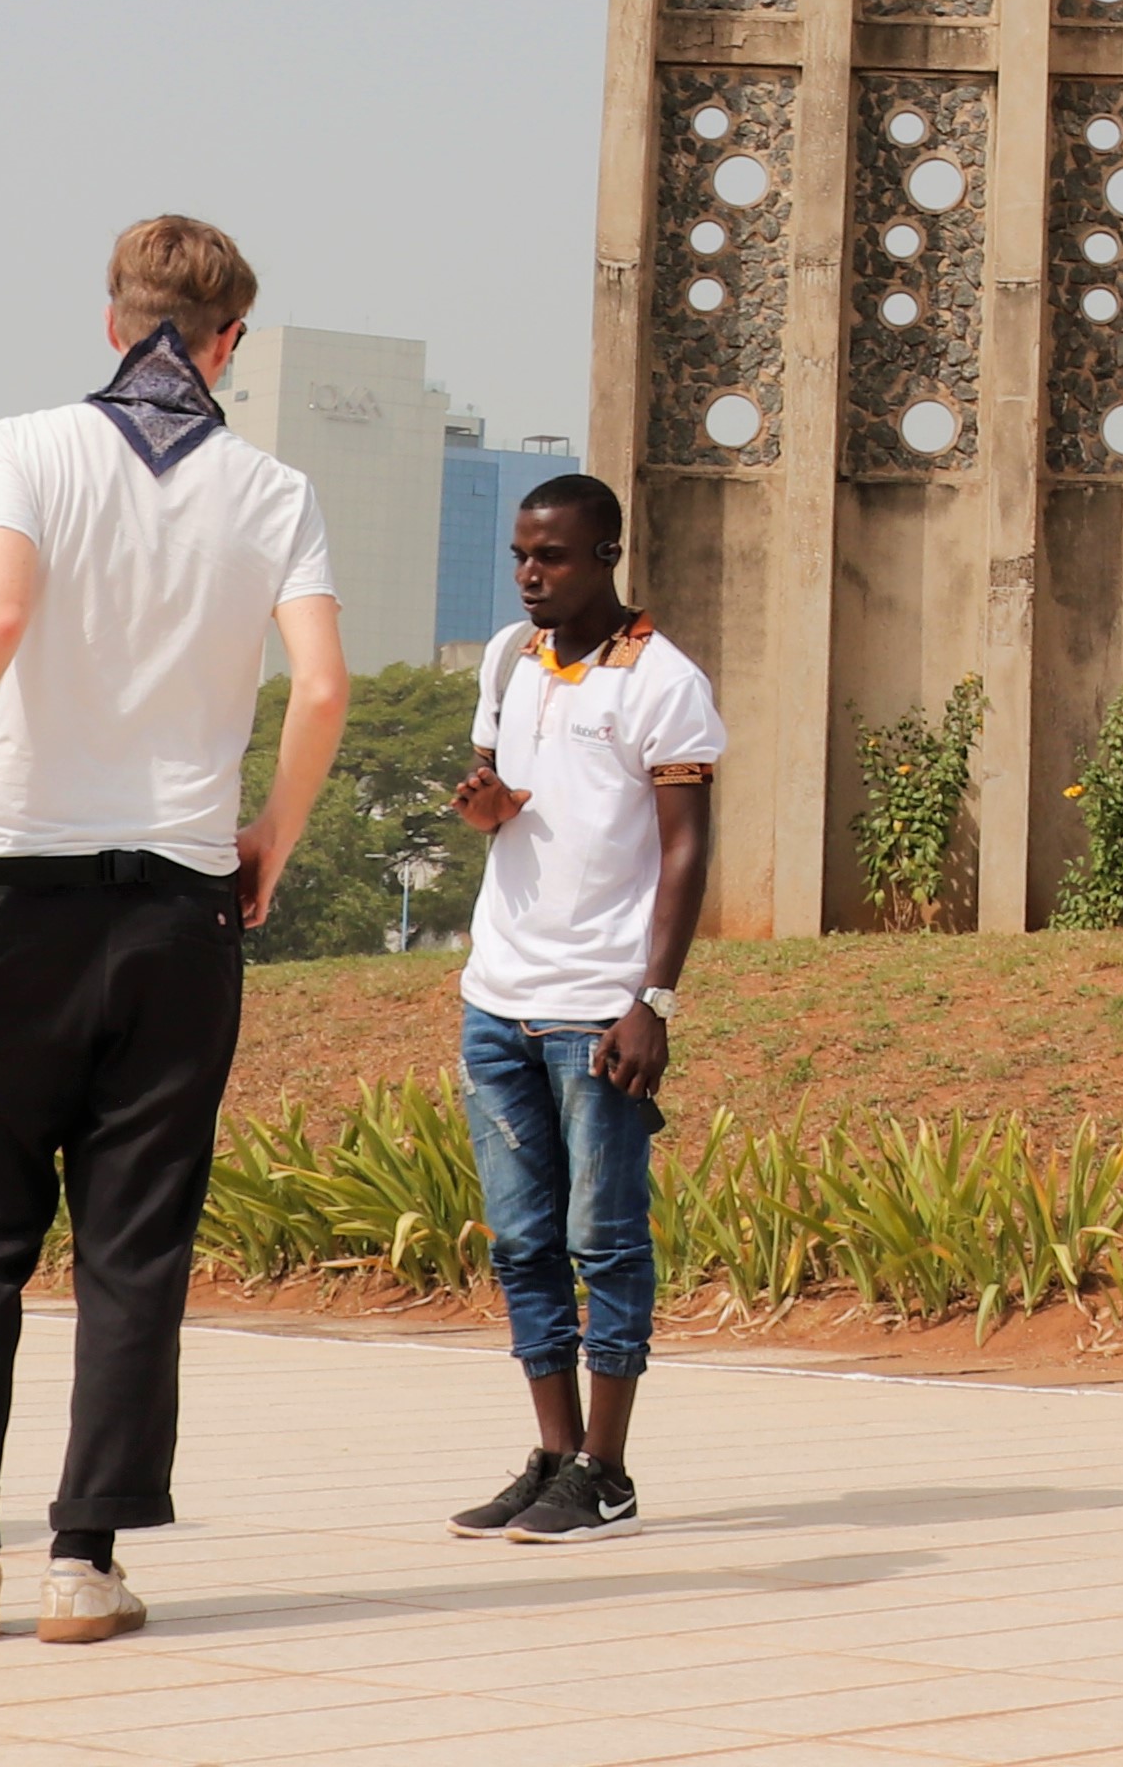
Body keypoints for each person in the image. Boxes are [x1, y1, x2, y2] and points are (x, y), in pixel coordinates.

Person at [0, 217, 342, 1650]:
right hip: (176, 913)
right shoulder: (276, 490)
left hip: (17, 898)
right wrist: (269, 837)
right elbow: (326, 689)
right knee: (133, 1249)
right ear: (229, 344)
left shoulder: (28, 446)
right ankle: (84, 1562)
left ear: (116, 324)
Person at [436, 473, 717, 1547]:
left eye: (549, 556)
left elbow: (687, 849)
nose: (528, 574)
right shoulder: (509, 659)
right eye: (519, 554)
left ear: (605, 552)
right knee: (519, 1239)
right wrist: (488, 806)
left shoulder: (663, 681)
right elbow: (498, 784)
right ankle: (552, 1456)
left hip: (599, 1009)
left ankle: (607, 1470)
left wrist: (653, 999)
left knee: (604, 1237)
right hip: (497, 999)